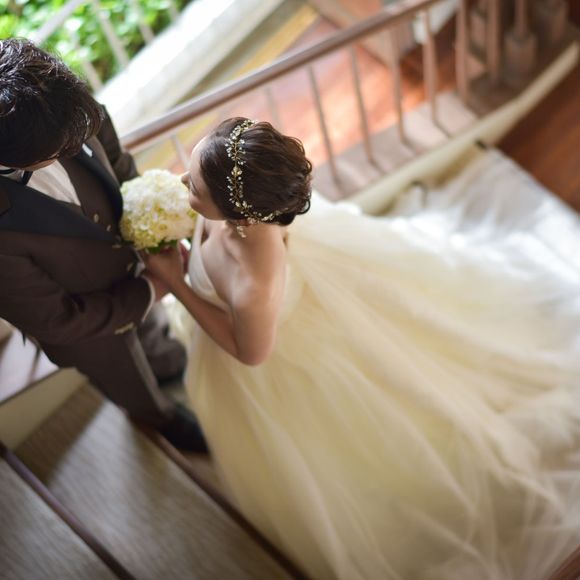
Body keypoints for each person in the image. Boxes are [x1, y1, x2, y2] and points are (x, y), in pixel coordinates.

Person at [144, 117, 580, 579]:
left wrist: (177, 282)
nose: (182, 183)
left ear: (241, 214)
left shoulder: (254, 283)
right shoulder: (246, 199)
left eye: (194, 187)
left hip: (285, 362)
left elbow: (251, 352)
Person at [0, 38, 207, 453]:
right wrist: (149, 290)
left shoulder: (58, 101)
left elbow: (116, 158)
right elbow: (58, 321)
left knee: (156, 337)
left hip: (135, 266)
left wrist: (154, 225)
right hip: (89, 332)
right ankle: (159, 418)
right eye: (57, 151)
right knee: (128, 380)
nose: (73, 148)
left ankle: (167, 363)